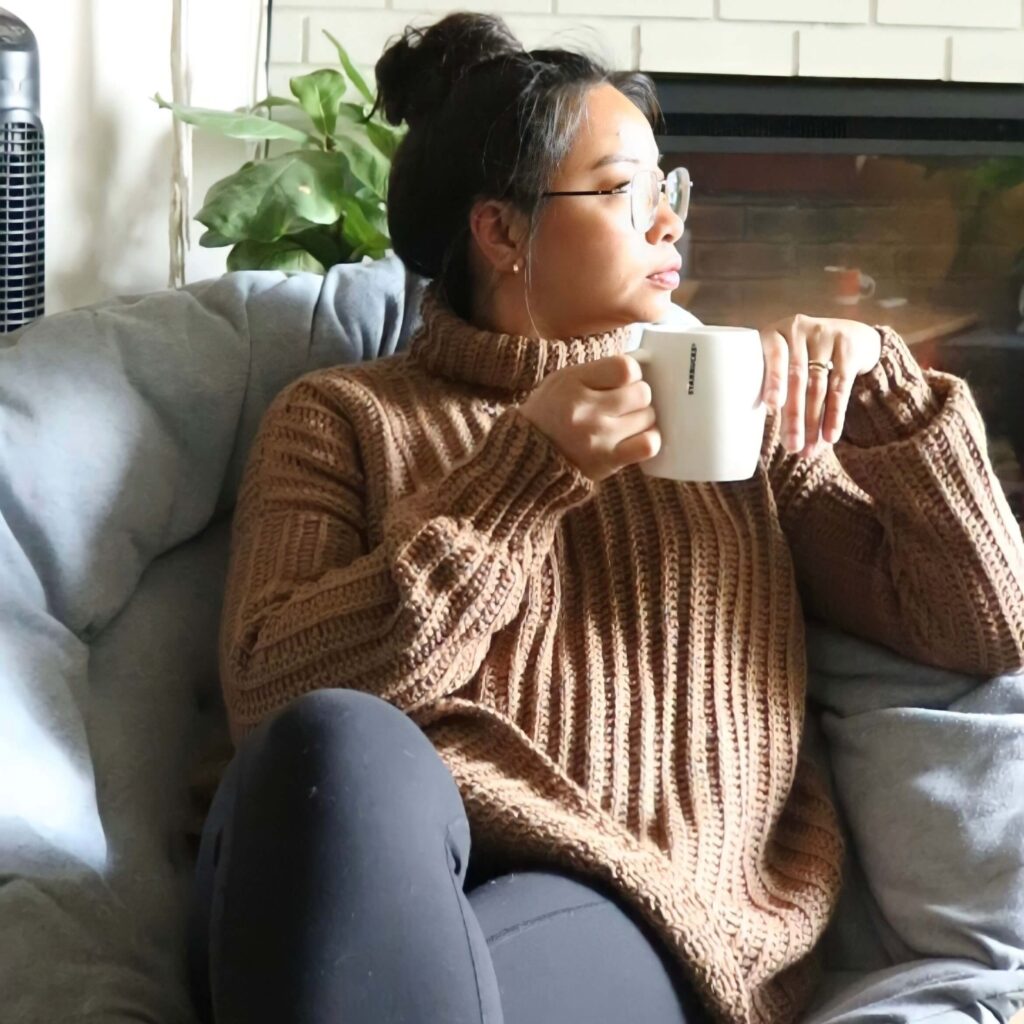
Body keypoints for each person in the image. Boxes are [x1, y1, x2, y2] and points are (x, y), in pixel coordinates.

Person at [187, 12, 1024, 1024]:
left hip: (636, 914)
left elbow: (980, 621)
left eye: (669, 190)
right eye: (629, 191)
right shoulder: (342, 417)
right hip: (342, 864)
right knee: (338, 743)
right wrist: (527, 473)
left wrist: (887, 392)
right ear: (500, 231)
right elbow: (278, 697)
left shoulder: (733, 429)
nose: (671, 222)